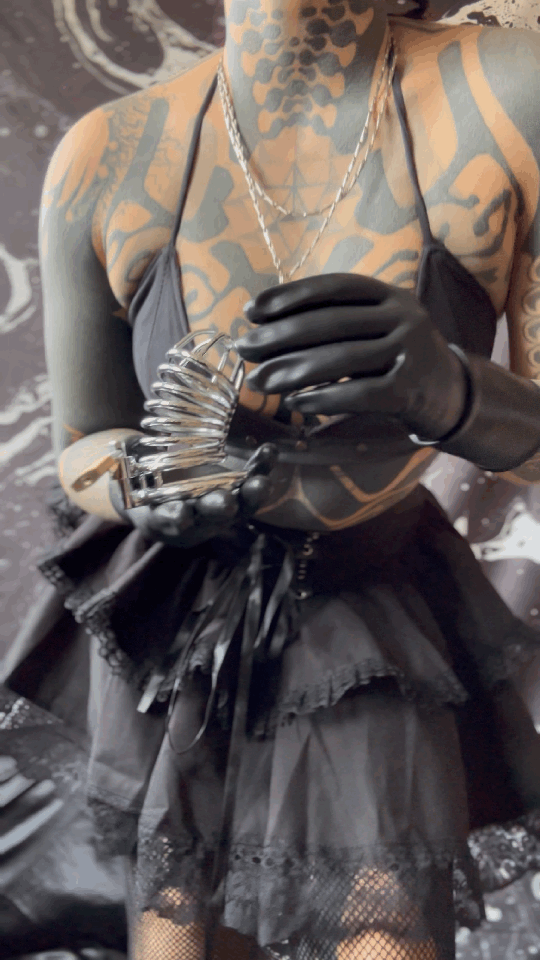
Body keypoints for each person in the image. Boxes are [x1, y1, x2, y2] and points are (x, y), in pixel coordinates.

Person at [6, 1, 540, 959]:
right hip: (180, 636)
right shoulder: (106, 154)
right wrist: (140, 485)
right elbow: (84, 443)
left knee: (382, 927)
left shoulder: (510, 93)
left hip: (376, 633)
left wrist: (458, 392)